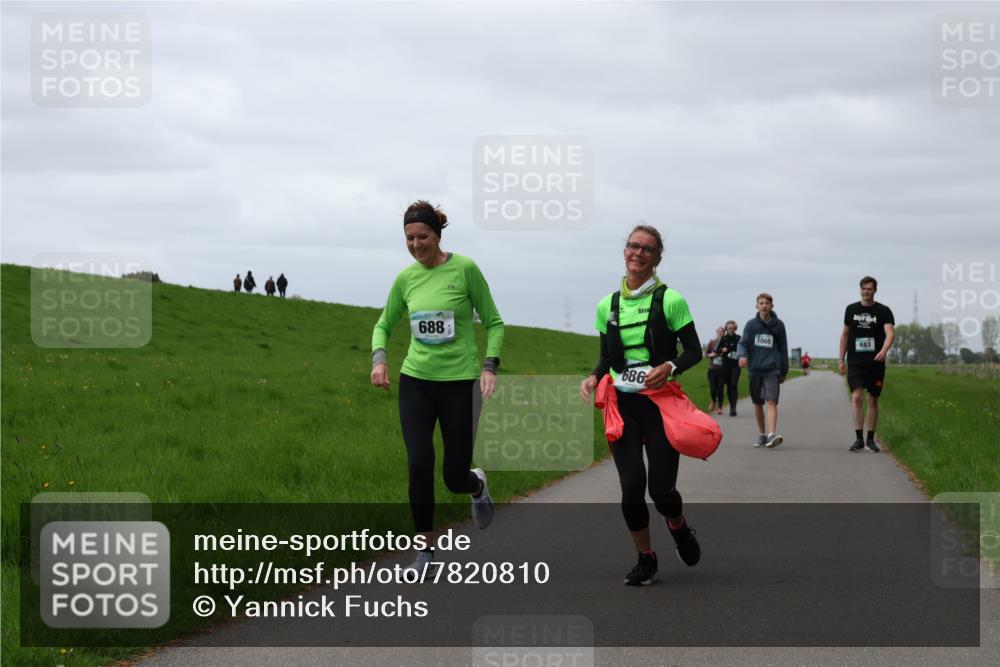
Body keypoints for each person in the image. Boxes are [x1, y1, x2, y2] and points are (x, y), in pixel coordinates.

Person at [370, 200, 504, 573]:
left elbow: (494, 322)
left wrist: (489, 366)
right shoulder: (406, 279)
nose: (416, 245)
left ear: (437, 234)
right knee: (418, 463)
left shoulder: (465, 269)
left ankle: (475, 485)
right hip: (417, 382)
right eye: (409, 238)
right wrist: (379, 359)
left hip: (460, 384)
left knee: (453, 476)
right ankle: (425, 552)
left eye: (422, 236)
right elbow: (384, 323)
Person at [579, 224, 703, 587]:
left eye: (647, 249)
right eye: (633, 246)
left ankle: (678, 526)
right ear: (625, 252)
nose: (638, 253)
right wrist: (592, 376)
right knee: (632, 486)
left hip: (661, 404)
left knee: (662, 491)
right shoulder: (608, 305)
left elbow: (694, 351)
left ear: (657, 258)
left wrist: (669, 367)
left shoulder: (671, 301)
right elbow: (606, 358)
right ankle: (646, 558)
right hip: (623, 404)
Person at [840, 276, 895, 453]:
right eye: (863, 288)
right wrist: (841, 359)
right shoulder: (851, 309)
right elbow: (845, 335)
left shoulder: (884, 311)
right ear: (860, 289)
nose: (866, 292)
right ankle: (858, 439)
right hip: (855, 361)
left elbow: (890, 333)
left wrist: (884, 350)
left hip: (875, 362)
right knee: (856, 397)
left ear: (875, 290)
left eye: (869, 289)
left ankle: (870, 438)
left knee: (873, 399)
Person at [737, 293, 788, 448]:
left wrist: (783, 371)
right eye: (761, 303)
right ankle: (762, 435)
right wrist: (741, 356)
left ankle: (772, 434)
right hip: (754, 369)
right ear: (757, 306)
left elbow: (783, 348)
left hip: (772, 370)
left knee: (771, 401)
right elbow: (743, 343)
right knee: (758, 403)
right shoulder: (751, 325)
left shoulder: (779, 325)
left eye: (767, 303)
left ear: (772, 306)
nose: (764, 305)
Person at [717, 320, 742, 416]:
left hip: (736, 365)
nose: (731, 330)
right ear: (726, 329)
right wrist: (721, 349)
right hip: (726, 365)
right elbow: (717, 350)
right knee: (729, 386)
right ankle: (731, 404)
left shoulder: (739, 338)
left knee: (733, 385)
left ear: (735, 328)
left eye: (732, 328)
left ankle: (733, 408)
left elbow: (744, 348)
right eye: (729, 328)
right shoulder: (723, 339)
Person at [705, 326, 725, 414]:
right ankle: (713, 401)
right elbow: (706, 353)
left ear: (724, 333)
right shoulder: (712, 342)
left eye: (722, 331)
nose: (720, 333)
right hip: (712, 369)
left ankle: (720, 407)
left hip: (722, 370)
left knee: (720, 388)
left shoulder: (726, 343)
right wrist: (710, 355)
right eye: (718, 331)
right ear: (716, 332)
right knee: (713, 388)